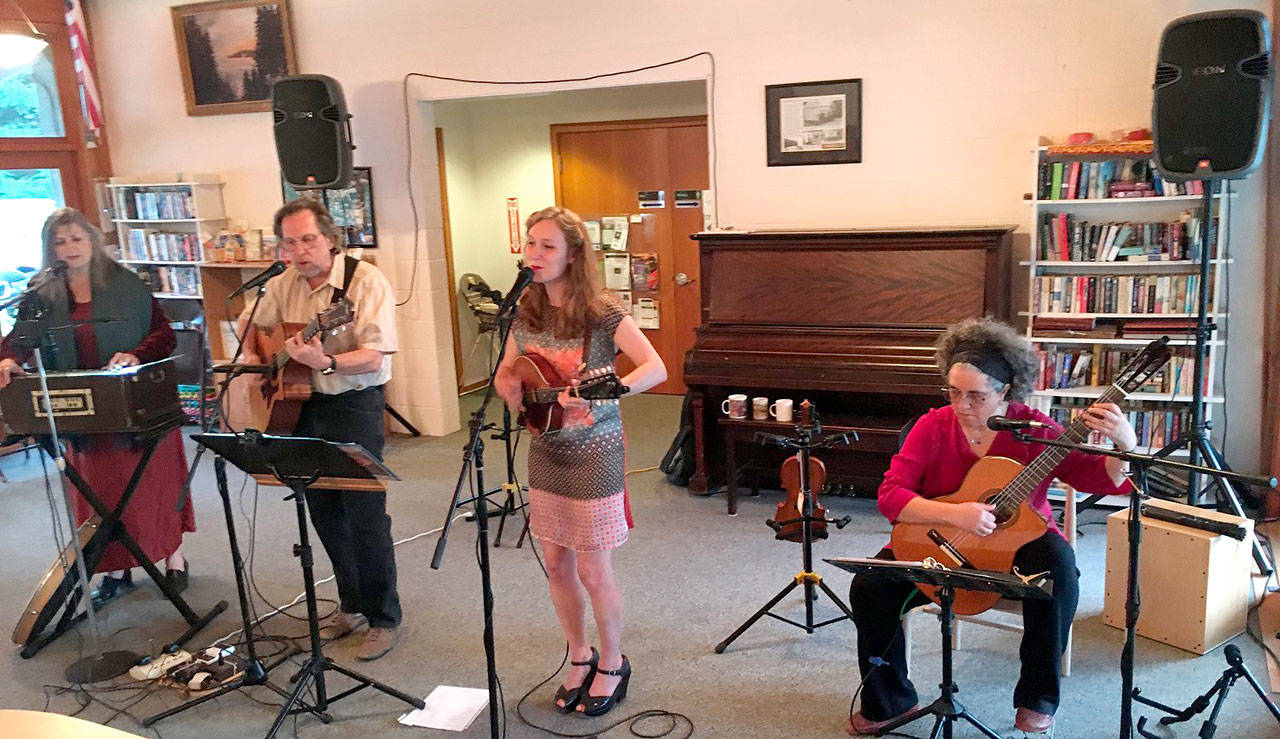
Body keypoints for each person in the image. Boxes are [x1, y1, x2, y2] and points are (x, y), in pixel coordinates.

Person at [845, 317, 1137, 737]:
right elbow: (891, 496)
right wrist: (956, 514)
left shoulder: (1034, 428)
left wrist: (1125, 444)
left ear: (1005, 391)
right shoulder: (932, 426)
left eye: (977, 396)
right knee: (870, 587)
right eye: (954, 392)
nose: (963, 406)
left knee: (1059, 571)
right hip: (939, 541)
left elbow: (1094, 477)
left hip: (1020, 545)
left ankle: (1036, 697)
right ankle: (889, 701)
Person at [494, 206, 666, 717]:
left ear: (573, 254)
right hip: (546, 450)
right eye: (531, 244)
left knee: (593, 568)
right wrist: (525, 401)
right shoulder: (526, 309)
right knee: (555, 564)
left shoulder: (601, 309)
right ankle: (578, 654)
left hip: (594, 454)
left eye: (547, 246)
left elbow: (654, 367)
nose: (536, 254)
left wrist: (607, 393)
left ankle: (612, 662)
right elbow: (508, 374)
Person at [0, 208, 193, 603]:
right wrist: (9, 358)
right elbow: (20, 339)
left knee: (150, 489)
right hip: (81, 411)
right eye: (60, 241)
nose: (70, 248)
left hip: (135, 403)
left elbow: (163, 336)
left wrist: (135, 354)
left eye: (76, 238)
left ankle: (174, 558)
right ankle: (115, 566)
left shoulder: (126, 284)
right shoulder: (41, 292)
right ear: (49, 249)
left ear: (92, 240)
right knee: (101, 495)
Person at [238, 198, 401, 661]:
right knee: (323, 510)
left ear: (330, 237)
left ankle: (385, 617)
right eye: (289, 242)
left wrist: (325, 360)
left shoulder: (364, 281)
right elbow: (248, 319)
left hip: (354, 404)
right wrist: (254, 355)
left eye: (308, 239)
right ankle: (350, 605)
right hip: (301, 406)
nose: (299, 250)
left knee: (366, 513)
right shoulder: (284, 282)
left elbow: (375, 355)